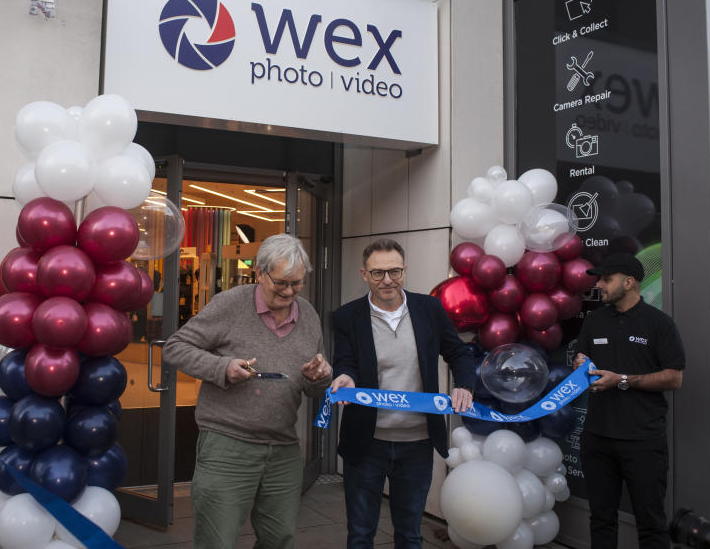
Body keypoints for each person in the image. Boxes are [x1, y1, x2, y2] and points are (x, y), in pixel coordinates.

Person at [162, 234, 332, 549]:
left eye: (297, 283)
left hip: (283, 447)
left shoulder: (307, 314)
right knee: (217, 540)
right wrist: (222, 368)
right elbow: (174, 348)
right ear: (259, 272)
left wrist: (321, 375)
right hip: (228, 446)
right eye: (281, 283)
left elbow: (313, 387)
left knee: (279, 538)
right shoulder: (230, 304)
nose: (289, 292)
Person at [331, 238, 477, 549]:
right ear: (363, 274)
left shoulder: (429, 309)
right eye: (377, 273)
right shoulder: (347, 317)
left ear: (405, 271)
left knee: (410, 534)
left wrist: (464, 384)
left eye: (394, 272)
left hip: (417, 444)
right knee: (360, 534)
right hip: (366, 444)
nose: (387, 280)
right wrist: (344, 376)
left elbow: (459, 353)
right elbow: (346, 362)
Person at [572, 252, 685, 549]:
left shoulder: (659, 323)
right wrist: (580, 364)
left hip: (642, 441)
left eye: (607, 279)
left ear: (630, 282)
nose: (600, 285)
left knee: (651, 524)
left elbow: (674, 378)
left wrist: (622, 380)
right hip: (597, 438)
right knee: (601, 519)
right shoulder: (594, 320)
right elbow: (581, 362)